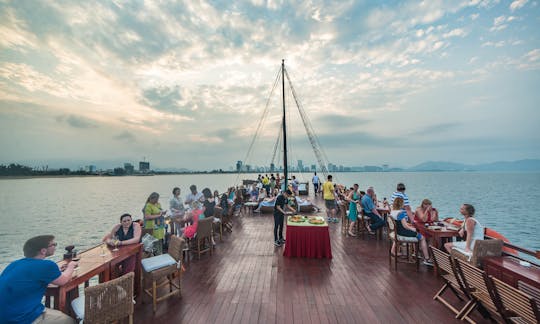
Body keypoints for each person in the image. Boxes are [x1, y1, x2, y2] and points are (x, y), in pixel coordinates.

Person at [0, 235, 77, 323]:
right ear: (43, 251)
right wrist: (71, 265)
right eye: (53, 244)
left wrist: (56, 272)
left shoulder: (14, 264)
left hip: (4, 316)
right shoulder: (47, 265)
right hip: (22, 318)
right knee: (69, 321)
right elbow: (64, 280)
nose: (55, 246)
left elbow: (29, 279)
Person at [391, 198, 433, 266]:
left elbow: (400, 224)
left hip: (398, 231)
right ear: (401, 204)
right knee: (422, 237)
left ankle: (415, 253)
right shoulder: (400, 213)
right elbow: (405, 226)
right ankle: (426, 258)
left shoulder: (393, 212)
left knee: (417, 234)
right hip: (402, 232)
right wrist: (413, 229)